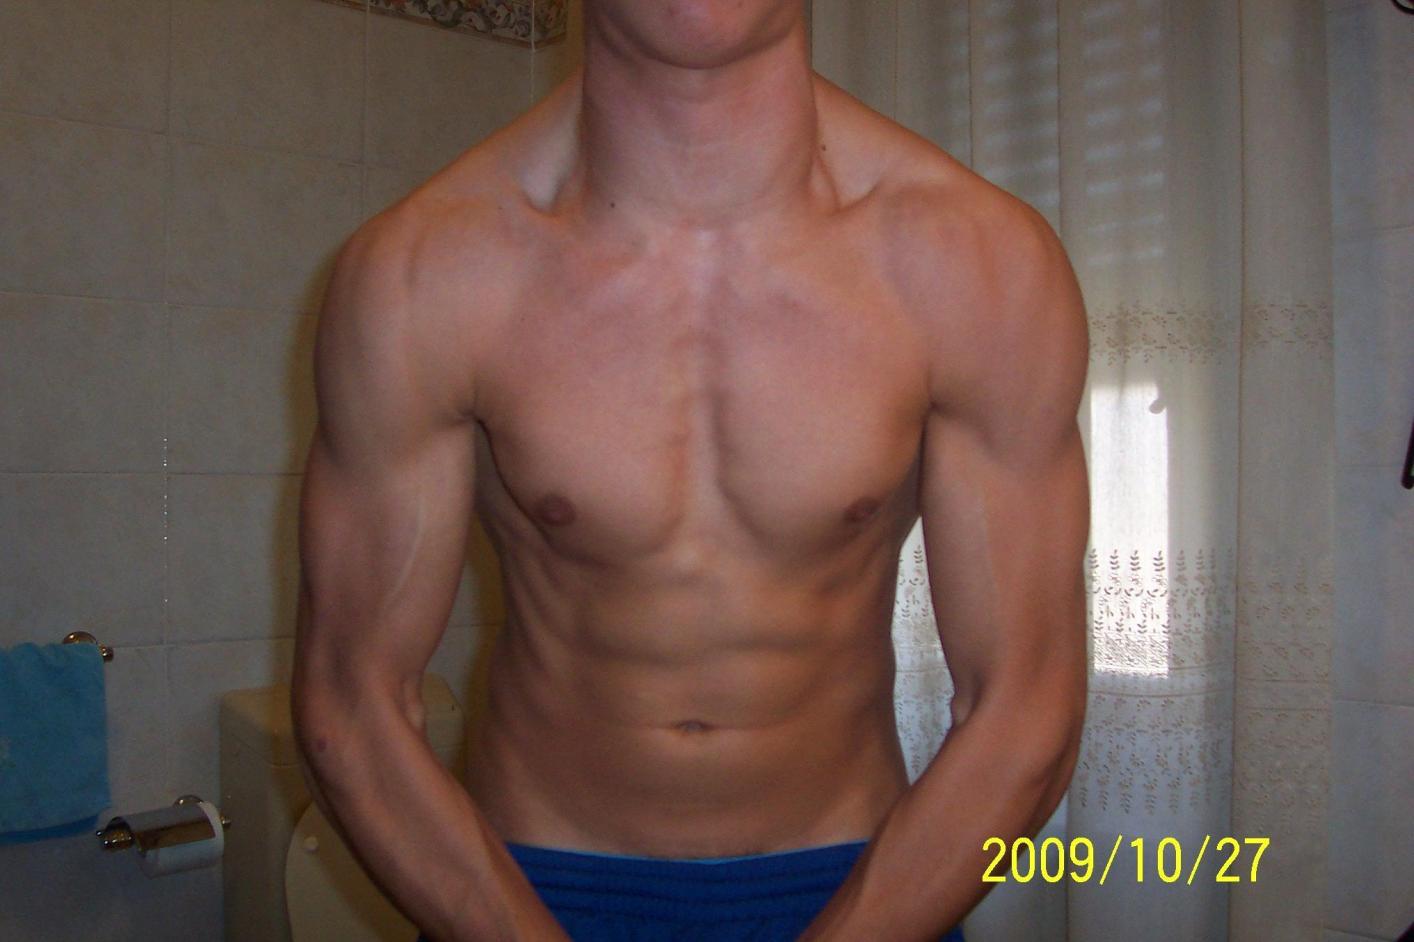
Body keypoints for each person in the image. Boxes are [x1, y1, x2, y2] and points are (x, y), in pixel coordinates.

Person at [290, 1, 1091, 939]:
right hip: (520, 894)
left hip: (865, 892)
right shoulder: (422, 274)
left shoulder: (979, 265)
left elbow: (1024, 706)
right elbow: (353, 703)